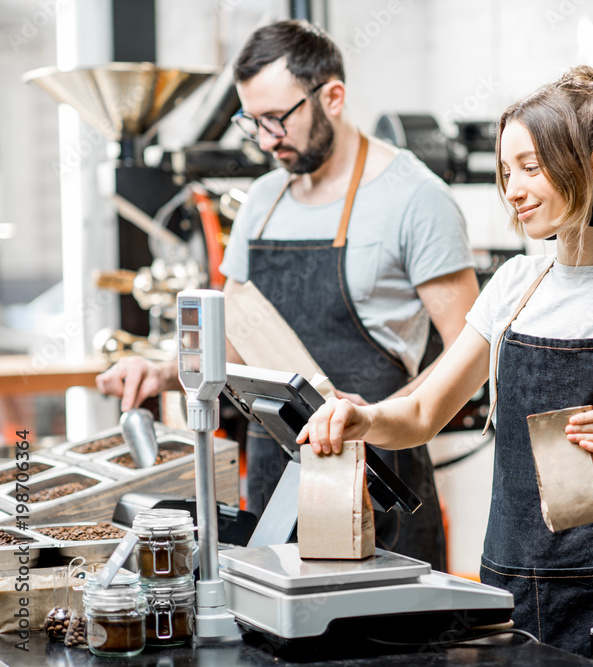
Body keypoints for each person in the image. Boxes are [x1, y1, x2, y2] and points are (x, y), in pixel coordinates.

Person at [298, 65, 593, 657]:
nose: (512, 189)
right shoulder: (512, 287)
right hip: (505, 590)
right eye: (505, 170)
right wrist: (366, 419)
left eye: (530, 167)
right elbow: (420, 413)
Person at [95, 20, 479, 571]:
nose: (267, 138)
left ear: (333, 97)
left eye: (277, 118)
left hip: (371, 477)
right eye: (252, 122)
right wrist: (161, 370)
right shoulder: (263, 200)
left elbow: (469, 353)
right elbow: (233, 334)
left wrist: (377, 417)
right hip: (277, 475)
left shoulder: (415, 199)